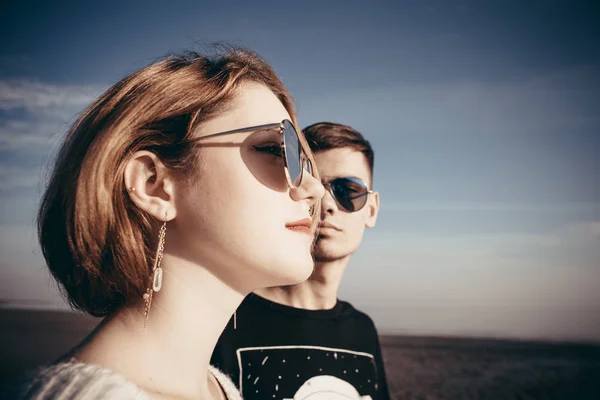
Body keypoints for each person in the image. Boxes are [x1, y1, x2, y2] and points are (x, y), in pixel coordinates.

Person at [8, 47, 324, 400]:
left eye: (305, 161)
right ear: (153, 184)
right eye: (275, 149)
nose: (314, 188)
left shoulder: (221, 389)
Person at [211, 122, 389, 400]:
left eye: (348, 190)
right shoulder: (225, 319)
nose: (327, 204)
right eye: (314, 186)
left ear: (372, 210)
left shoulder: (362, 330)